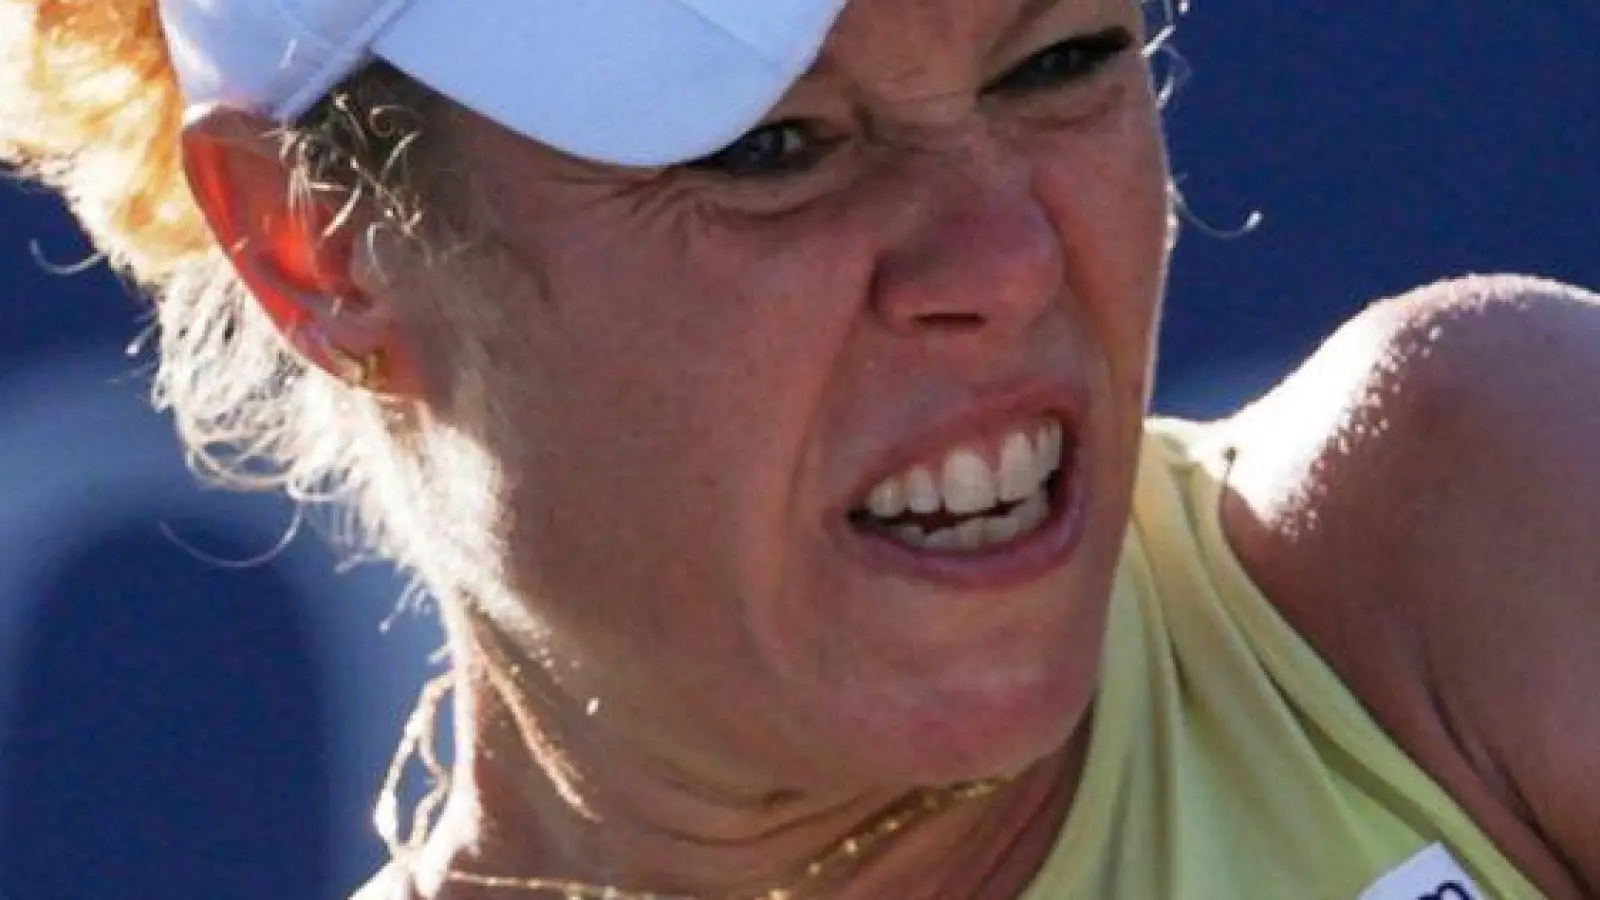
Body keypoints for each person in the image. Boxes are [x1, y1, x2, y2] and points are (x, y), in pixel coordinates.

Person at [2, 0, 1596, 897]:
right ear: (313, 250)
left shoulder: (1483, 518)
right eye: (771, 150)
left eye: (1063, 61)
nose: (1003, 260)